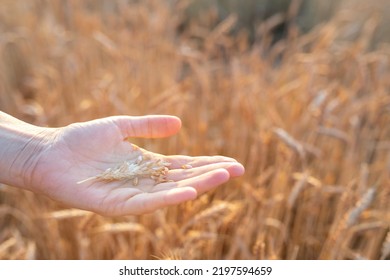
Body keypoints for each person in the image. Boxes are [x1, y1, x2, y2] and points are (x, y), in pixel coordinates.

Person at [0, 111, 244, 216]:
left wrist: (37, 151)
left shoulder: (136, 170)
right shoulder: (128, 171)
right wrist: (38, 152)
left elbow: (138, 170)